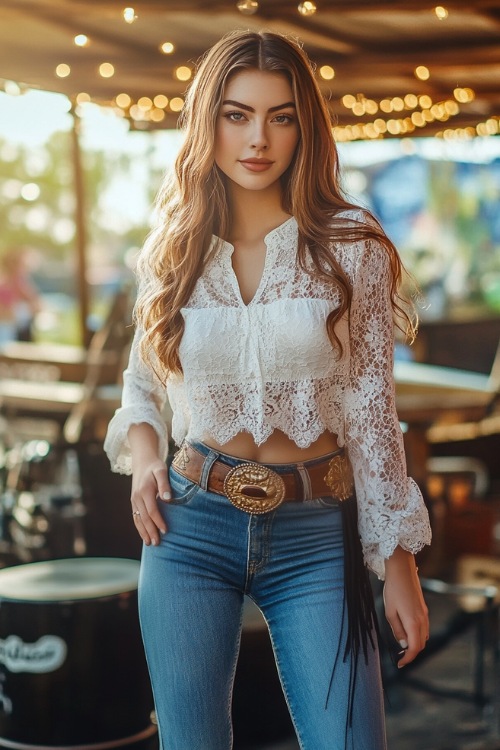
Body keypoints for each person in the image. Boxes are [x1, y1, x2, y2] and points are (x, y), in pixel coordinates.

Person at [104, 29, 431, 750]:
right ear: (207, 122)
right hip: (190, 526)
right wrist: (146, 455)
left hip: (318, 533)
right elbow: (140, 381)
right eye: (236, 114)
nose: (259, 138)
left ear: (304, 127)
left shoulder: (353, 245)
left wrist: (397, 563)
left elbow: (375, 413)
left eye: (281, 116)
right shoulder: (172, 248)